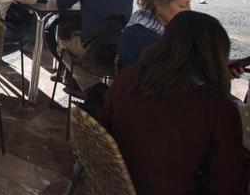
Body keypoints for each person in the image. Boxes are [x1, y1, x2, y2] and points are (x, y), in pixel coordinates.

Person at [101, 11, 245, 195]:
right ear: (216, 55)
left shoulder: (128, 77)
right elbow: (229, 185)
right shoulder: (220, 110)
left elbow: (105, 125)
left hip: (117, 181)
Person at [56, 0, 134, 89]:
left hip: (95, 47)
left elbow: (62, 3)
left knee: (57, 37)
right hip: (118, 45)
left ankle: (89, 88)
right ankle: (95, 87)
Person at [117, 0, 194, 68]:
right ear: (159, 4)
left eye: (189, 3)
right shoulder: (140, 37)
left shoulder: (165, 25)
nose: (189, 10)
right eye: (182, 5)